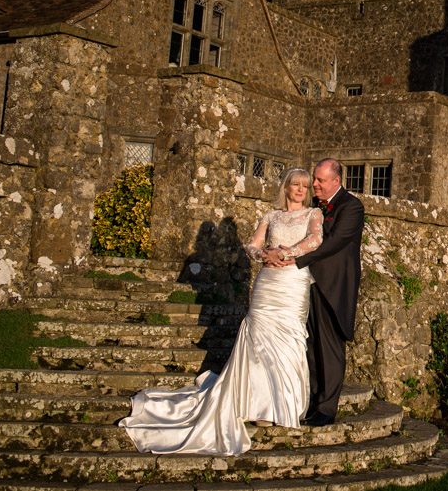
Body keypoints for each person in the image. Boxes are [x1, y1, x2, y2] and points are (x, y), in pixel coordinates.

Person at [119, 168, 323, 455]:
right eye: (295, 185)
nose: (301, 190)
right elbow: (251, 245)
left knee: (289, 339)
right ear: (286, 188)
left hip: (293, 282)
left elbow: (315, 241)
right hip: (268, 281)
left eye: (305, 186)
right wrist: (263, 254)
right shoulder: (270, 216)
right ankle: (256, 403)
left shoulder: (313, 215)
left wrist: (285, 253)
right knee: (258, 340)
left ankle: (282, 404)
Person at [292, 158, 365, 427]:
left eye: (320, 180)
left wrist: (295, 259)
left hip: (333, 287)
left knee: (330, 348)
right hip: (307, 284)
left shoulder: (352, 207)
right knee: (310, 346)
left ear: (337, 181)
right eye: (314, 179)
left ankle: (327, 408)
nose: (314, 184)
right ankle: (312, 401)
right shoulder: (313, 206)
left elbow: (333, 244)